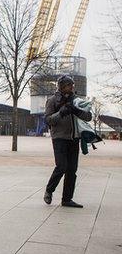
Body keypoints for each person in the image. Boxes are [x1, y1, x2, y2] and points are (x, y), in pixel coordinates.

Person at [43, 75, 92, 208]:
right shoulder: (52, 100)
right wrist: (61, 113)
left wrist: (76, 110)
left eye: (72, 85)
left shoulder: (76, 100)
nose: (71, 87)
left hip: (74, 138)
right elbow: (47, 120)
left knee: (72, 169)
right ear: (61, 86)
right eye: (68, 85)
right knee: (61, 167)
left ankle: (67, 199)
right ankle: (49, 190)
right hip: (59, 138)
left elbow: (88, 116)